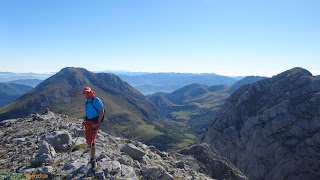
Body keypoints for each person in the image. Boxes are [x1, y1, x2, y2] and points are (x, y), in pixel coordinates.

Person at [82, 87, 104, 169]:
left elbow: (101, 111)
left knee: (92, 141)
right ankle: (92, 155)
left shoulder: (96, 100)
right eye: (85, 93)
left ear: (91, 92)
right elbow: (87, 112)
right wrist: (85, 121)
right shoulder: (86, 101)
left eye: (87, 92)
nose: (86, 94)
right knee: (88, 140)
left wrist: (97, 123)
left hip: (94, 123)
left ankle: (93, 159)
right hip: (87, 122)